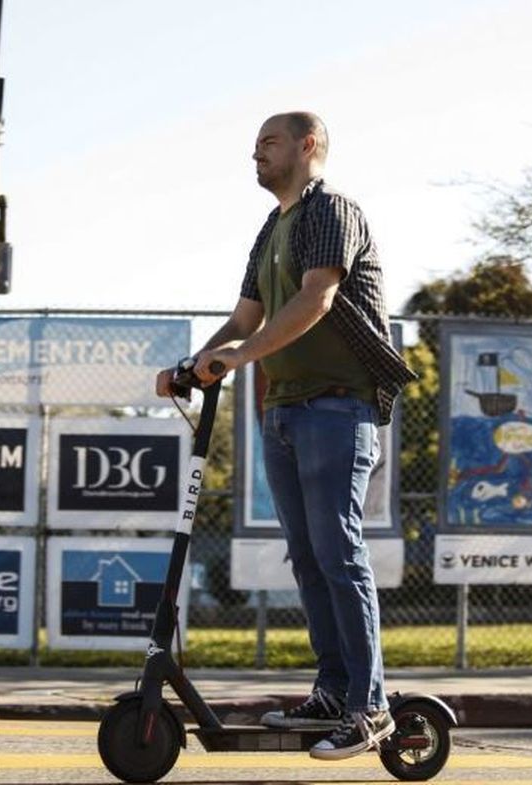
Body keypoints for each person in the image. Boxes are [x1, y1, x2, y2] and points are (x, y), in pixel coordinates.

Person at [154, 111, 415, 760]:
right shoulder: (272, 228)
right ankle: (333, 688)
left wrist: (239, 357)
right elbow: (245, 315)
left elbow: (315, 299)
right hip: (286, 411)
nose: (256, 155)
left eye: (268, 143)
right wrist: (191, 365)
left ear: (307, 145)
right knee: (306, 556)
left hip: (338, 406)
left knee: (339, 552)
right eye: (254, 146)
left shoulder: (333, 210)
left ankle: (369, 704)